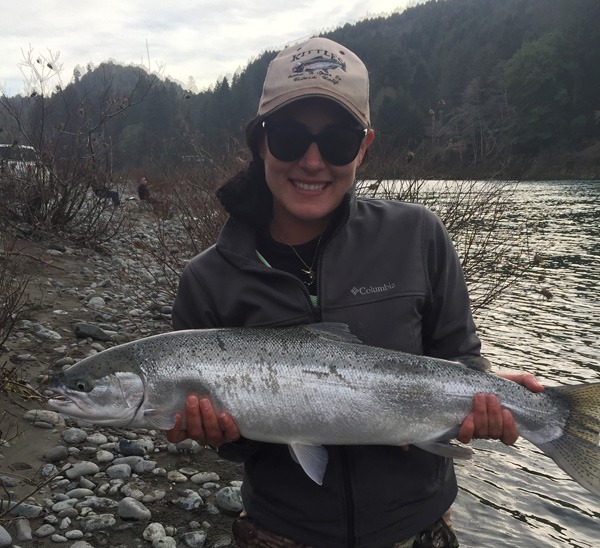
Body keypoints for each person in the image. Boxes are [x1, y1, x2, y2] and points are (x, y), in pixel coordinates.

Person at [169, 37, 543, 548]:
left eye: (339, 140)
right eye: (289, 137)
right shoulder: (206, 280)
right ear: (259, 142)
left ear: (364, 147)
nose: (313, 161)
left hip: (418, 532)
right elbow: (238, 451)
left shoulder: (419, 235)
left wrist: (494, 399)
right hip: (279, 535)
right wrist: (220, 437)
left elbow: (460, 363)